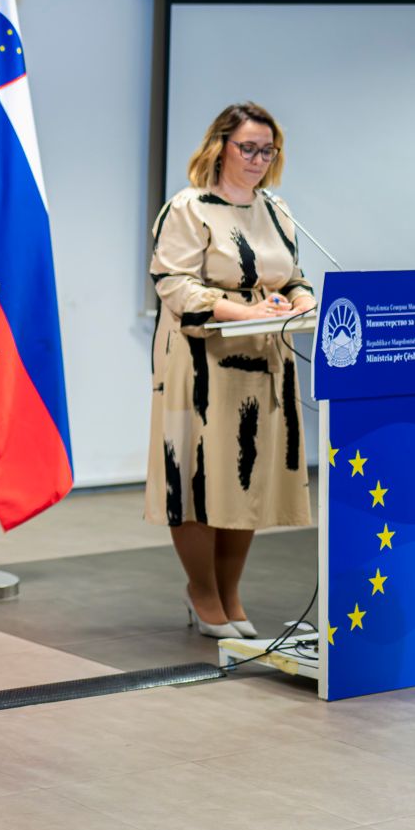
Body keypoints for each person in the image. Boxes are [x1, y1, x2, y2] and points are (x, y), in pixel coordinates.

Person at [147, 102, 313, 640]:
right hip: (200, 363)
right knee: (198, 479)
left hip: (264, 360)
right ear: (220, 146)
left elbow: (293, 277)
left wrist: (299, 303)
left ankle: (230, 594)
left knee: (246, 479)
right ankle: (202, 593)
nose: (259, 158)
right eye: (248, 147)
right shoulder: (189, 208)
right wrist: (246, 311)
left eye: (268, 150)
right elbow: (175, 285)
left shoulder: (277, 210)